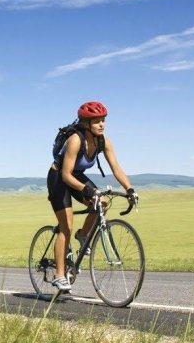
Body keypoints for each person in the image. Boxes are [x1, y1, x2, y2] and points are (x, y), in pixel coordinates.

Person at [46, 100, 138, 299]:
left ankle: (83, 235)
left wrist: (129, 189)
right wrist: (87, 190)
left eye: (103, 120)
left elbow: (116, 168)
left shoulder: (104, 141)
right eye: (96, 121)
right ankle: (59, 274)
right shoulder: (75, 140)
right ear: (86, 123)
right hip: (59, 178)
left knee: (102, 204)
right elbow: (65, 175)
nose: (102, 124)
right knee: (66, 226)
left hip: (76, 176)